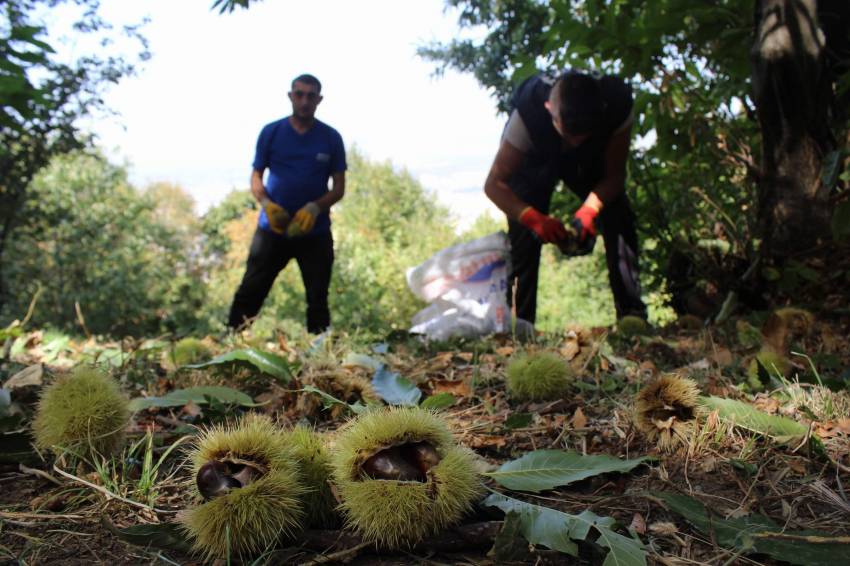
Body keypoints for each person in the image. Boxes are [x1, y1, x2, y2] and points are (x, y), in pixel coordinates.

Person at [483, 69, 647, 327]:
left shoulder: (616, 104)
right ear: (550, 109)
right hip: (535, 161)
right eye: (568, 136)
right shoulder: (529, 114)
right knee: (523, 235)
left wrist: (589, 210)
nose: (574, 144)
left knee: (618, 214)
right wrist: (533, 218)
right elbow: (494, 185)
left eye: (581, 137)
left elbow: (615, 177)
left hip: (590, 164)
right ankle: (518, 325)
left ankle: (632, 316)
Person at [227, 73, 346, 334]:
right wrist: (268, 204)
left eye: (310, 95)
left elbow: (339, 188)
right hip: (273, 230)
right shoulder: (271, 132)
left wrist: (315, 208)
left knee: (317, 298)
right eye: (299, 94)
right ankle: (231, 342)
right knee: (251, 290)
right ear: (290, 96)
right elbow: (257, 176)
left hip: (314, 233)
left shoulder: (331, 138)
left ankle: (320, 358)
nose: (304, 101)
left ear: (319, 100)